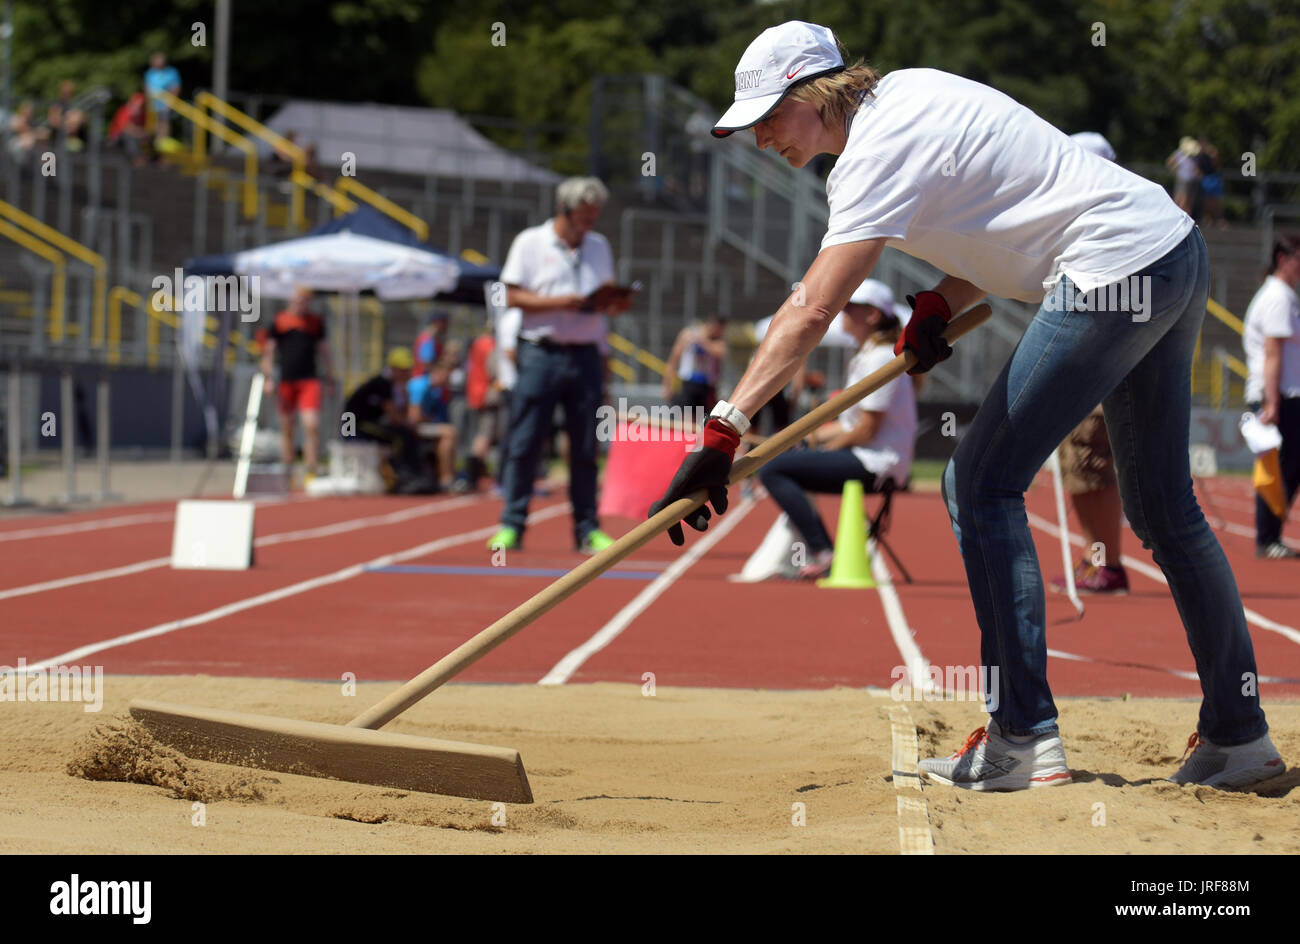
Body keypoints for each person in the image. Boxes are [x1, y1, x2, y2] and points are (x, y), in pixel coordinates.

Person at [650, 20, 1283, 791]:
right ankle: (1239, 734)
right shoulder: (914, 94)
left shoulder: (871, 155)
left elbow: (811, 310)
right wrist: (940, 307)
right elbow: (1010, 212)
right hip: (1170, 251)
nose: (759, 142)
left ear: (813, 95)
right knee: (1163, 508)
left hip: (1113, 267)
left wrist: (724, 430)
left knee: (980, 482)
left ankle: (1021, 736)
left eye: (767, 120)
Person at [487, 176, 632, 554]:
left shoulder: (599, 246)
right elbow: (507, 294)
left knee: (585, 445)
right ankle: (512, 526)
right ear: (564, 210)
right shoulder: (529, 242)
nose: (590, 223)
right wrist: (557, 303)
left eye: (594, 216)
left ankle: (587, 529)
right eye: (584, 216)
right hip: (540, 352)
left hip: (586, 353)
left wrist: (612, 303)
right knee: (525, 441)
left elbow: (605, 296)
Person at [758, 278, 916, 579]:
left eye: (850, 309)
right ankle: (816, 548)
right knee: (787, 457)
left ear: (872, 316)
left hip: (878, 464)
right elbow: (849, 425)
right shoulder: (868, 355)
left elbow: (866, 430)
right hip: (868, 455)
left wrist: (821, 448)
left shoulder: (881, 358)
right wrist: (799, 438)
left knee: (773, 470)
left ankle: (823, 550)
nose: (842, 315)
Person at [1048, 132, 1130, 595]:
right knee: (1084, 466)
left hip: (1093, 365)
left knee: (1088, 465)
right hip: (1093, 361)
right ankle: (1096, 558)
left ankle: (1106, 562)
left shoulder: (1101, 223)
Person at [1242, 235, 1300, 559]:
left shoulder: (1281, 295)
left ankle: (1271, 534)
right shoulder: (1278, 297)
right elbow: (1273, 353)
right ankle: (1268, 537)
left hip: (1282, 393)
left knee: (1286, 466)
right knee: (1279, 466)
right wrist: (1273, 402)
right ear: (1283, 258)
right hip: (1279, 395)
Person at [259, 286, 334, 480]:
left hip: (309, 380)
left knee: (311, 424)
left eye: (306, 301)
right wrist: (268, 377)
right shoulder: (280, 321)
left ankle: (311, 468)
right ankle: (288, 470)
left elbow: (324, 351)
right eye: (299, 300)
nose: (302, 304)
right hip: (286, 381)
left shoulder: (315, 322)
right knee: (287, 427)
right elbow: (269, 351)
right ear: (292, 300)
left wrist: (331, 376)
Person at [343, 348, 424, 492]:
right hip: (354, 427)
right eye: (404, 370)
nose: (408, 374)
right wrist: (410, 425)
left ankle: (411, 473)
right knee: (401, 435)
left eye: (408, 370)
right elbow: (395, 416)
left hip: (364, 423)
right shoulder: (382, 384)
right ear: (394, 369)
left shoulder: (393, 385)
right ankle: (404, 475)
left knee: (402, 433)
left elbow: (400, 412)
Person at [407, 358, 460, 493]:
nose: (448, 380)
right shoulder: (420, 386)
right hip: (411, 427)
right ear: (438, 373)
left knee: (449, 433)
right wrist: (431, 421)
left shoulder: (436, 391)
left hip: (423, 425)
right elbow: (414, 417)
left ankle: (449, 475)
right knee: (449, 432)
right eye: (447, 376)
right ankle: (446, 479)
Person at [663, 314, 727, 414]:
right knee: (682, 419)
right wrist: (667, 385)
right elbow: (674, 360)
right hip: (687, 384)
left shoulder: (718, 341)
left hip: (707, 387)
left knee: (702, 421)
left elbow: (720, 352)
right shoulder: (688, 334)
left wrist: (702, 341)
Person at [143, 53, 181, 142]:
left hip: (165, 102)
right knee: (153, 123)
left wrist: (170, 101)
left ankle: (163, 140)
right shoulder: (150, 73)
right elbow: (146, 87)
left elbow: (175, 87)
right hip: (153, 102)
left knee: (164, 121)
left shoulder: (171, 72)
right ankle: (154, 141)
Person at [1165, 136, 1201, 218]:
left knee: (1185, 199)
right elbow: (1170, 162)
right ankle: (1181, 217)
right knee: (1183, 199)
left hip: (1188, 179)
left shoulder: (1192, 155)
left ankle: (1183, 217)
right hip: (1184, 178)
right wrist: (1174, 170)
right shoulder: (1180, 153)